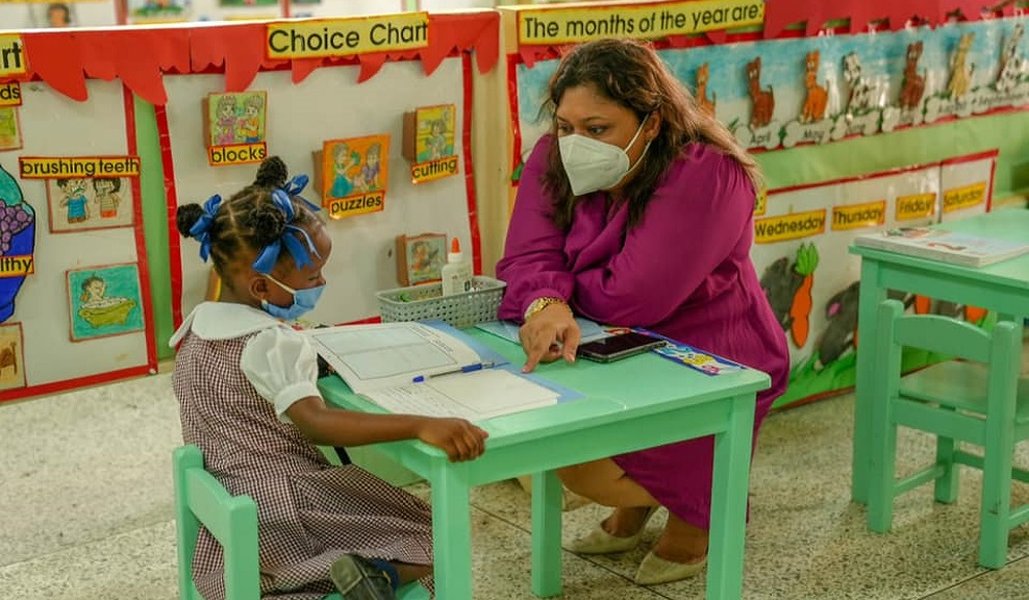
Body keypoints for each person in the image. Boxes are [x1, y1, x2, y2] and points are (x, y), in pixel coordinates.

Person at [495, 39, 789, 586]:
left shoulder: (707, 173)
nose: (575, 142)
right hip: (608, 339)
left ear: (650, 123)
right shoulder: (550, 157)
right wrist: (545, 298)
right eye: (565, 126)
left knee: (594, 464)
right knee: (559, 448)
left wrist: (556, 290)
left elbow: (632, 298)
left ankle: (694, 517)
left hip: (711, 349)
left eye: (598, 128)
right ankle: (644, 505)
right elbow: (526, 256)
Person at [172, 156, 488, 600]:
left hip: (230, 517)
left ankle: (337, 577)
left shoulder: (194, 331)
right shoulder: (270, 342)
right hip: (288, 507)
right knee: (438, 529)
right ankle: (378, 576)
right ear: (261, 289)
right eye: (312, 275)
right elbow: (316, 423)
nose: (321, 282)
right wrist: (421, 423)